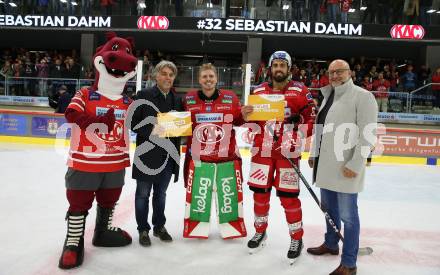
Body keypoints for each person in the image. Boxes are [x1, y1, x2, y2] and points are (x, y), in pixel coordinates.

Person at [242, 51, 316, 262]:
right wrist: (247, 116)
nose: (279, 69)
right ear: (270, 68)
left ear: (289, 68)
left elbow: (311, 119)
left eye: (283, 65)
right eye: (276, 65)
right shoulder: (259, 90)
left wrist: (297, 130)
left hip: (287, 153)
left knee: (289, 198)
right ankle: (260, 230)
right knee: (260, 195)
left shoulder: (301, 91)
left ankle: (296, 238)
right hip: (262, 153)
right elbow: (252, 124)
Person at [307, 59, 378, 275]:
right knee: (328, 209)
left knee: (348, 216)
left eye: (340, 72)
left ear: (350, 73)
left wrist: (355, 164)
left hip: (346, 167)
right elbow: (320, 129)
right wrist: (313, 154)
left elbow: (368, 135)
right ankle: (330, 244)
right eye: (331, 72)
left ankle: (349, 264)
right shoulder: (328, 95)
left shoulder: (363, 96)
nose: (335, 76)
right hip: (325, 166)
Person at [182, 63, 247, 239]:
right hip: (199, 160)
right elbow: (181, 124)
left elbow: (239, 121)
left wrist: (246, 115)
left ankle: (232, 228)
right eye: (205, 76)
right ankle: (197, 228)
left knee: (229, 197)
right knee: (199, 198)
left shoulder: (231, 97)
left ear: (217, 79)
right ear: (199, 79)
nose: (208, 79)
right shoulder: (188, 99)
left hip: (226, 158)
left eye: (211, 76)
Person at [130, 60, 182, 247]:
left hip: (167, 157)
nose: (168, 77)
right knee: (143, 194)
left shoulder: (177, 99)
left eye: (171, 75)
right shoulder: (143, 96)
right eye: (164, 74)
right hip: (147, 156)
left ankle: (159, 227)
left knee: (161, 194)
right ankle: (143, 229)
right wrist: (152, 130)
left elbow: (181, 126)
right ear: (156, 76)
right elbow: (132, 123)